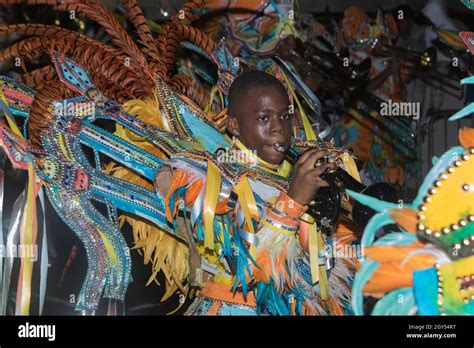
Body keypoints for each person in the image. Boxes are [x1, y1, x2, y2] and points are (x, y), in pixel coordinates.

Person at [154, 70, 360, 315]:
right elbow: (247, 268)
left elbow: (323, 266)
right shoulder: (210, 179)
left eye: (285, 116)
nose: (279, 129)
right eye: (264, 118)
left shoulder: (295, 172)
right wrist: (294, 201)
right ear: (235, 126)